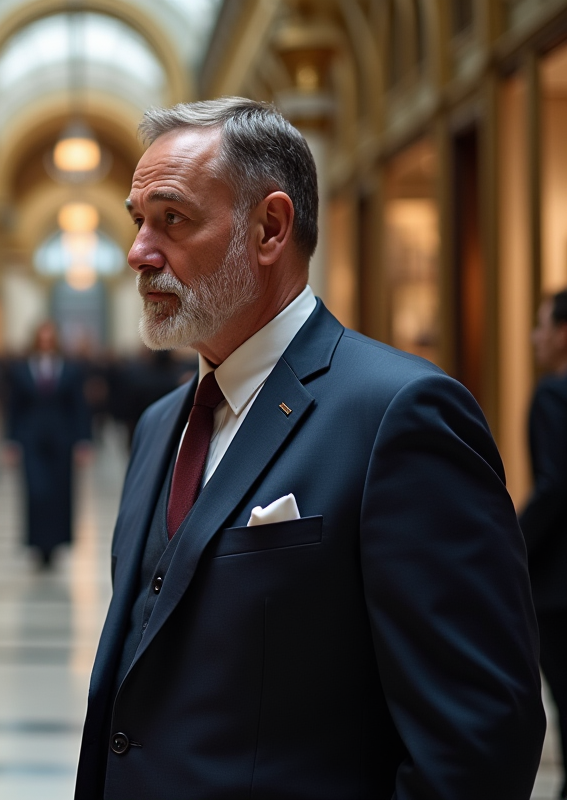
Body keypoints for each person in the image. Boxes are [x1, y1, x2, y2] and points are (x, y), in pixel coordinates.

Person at [76, 98, 544, 799]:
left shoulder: (399, 415)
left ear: (269, 228)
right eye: (138, 220)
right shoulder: (160, 424)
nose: (139, 252)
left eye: (172, 218)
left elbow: (476, 744)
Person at [522, 288, 567, 798]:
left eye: (542, 326)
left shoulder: (552, 395)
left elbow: (554, 484)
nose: (536, 338)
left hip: (557, 581)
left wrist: (513, 541)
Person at [5, 322, 91, 568]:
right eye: (41, 338)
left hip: (62, 439)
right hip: (31, 439)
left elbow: (79, 407)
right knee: (36, 492)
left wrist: (83, 440)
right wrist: (10, 440)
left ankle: (55, 544)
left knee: (60, 492)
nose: (45, 342)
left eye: (49, 337)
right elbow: (13, 408)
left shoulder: (70, 369)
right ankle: (37, 543)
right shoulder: (21, 369)